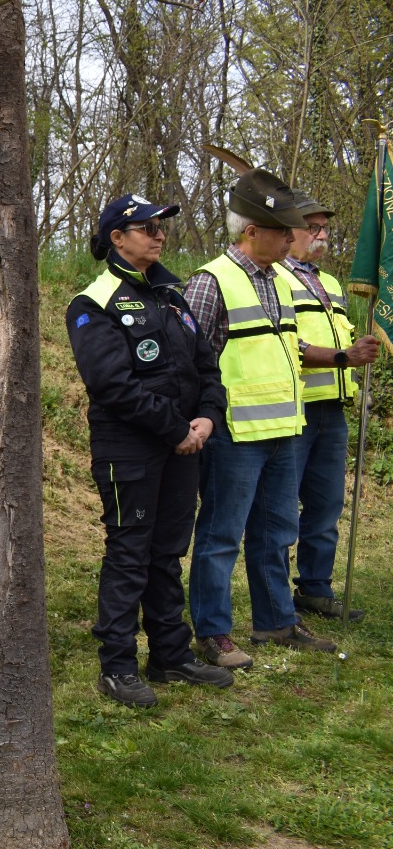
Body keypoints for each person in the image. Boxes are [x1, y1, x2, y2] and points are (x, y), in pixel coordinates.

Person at [65, 194, 234, 707]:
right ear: (117, 238)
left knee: (167, 554)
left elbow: (207, 367)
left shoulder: (172, 295)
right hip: (130, 450)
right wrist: (176, 428)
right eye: (147, 227)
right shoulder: (93, 302)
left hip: (184, 446)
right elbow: (112, 385)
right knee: (130, 554)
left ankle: (170, 655)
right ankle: (117, 666)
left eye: (162, 227)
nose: (159, 235)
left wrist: (208, 417)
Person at [184, 169, 335, 670]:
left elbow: (287, 349)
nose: (292, 237)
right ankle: (213, 633)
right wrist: (202, 420)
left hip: (284, 431)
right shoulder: (210, 282)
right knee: (221, 537)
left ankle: (276, 621)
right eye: (281, 230)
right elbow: (189, 363)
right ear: (251, 231)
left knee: (277, 533)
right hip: (233, 434)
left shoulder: (279, 282)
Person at [280, 197, 379, 621]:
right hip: (294, 409)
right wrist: (343, 357)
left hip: (332, 412)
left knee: (326, 506)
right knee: (282, 509)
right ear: (288, 230)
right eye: (313, 227)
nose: (322, 235)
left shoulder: (331, 284)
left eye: (325, 228)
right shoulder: (274, 278)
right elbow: (287, 343)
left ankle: (315, 590)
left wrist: (355, 357)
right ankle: (274, 600)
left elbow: (341, 340)